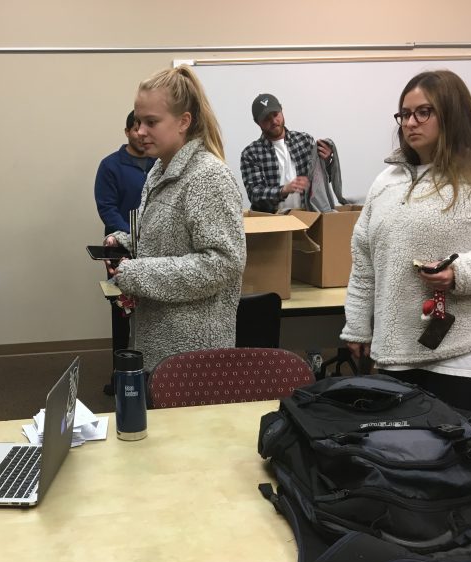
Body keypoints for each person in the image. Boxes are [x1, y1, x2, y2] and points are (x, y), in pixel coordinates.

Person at [341, 70, 471, 434]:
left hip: (466, 347)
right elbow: (365, 260)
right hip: (398, 347)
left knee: (456, 461)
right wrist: (357, 326)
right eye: (404, 114)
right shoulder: (387, 181)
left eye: (424, 112)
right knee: (402, 457)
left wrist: (461, 273)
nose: (410, 123)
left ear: (452, 113)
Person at [104, 65, 246, 371]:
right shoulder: (160, 170)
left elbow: (223, 263)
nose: (140, 131)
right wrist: (125, 243)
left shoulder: (208, 177)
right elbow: (168, 238)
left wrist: (136, 273)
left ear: (184, 122)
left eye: (151, 122)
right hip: (157, 342)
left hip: (193, 355)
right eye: (139, 121)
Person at [94, 111, 156, 393]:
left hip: (157, 249)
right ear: (127, 131)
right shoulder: (110, 166)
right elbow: (107, 207)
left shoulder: (161, 164)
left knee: (154, 311)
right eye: (136, 128)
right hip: (121, 250)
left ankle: (153, 377)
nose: (142, 134)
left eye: (147, 126)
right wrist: (132, 238)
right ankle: (119, 378)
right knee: (122, 314)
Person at [240, 93, 334, 213]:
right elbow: (255, 195)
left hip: (308, 218)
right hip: (272, 223)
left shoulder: (305, 141)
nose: (274, 121)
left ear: (281, 110)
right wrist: (283, 190)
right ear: (257, 122)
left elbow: (319, 184)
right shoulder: (251, 154)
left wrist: (325, 163)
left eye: (275, 114)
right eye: (266, 119)